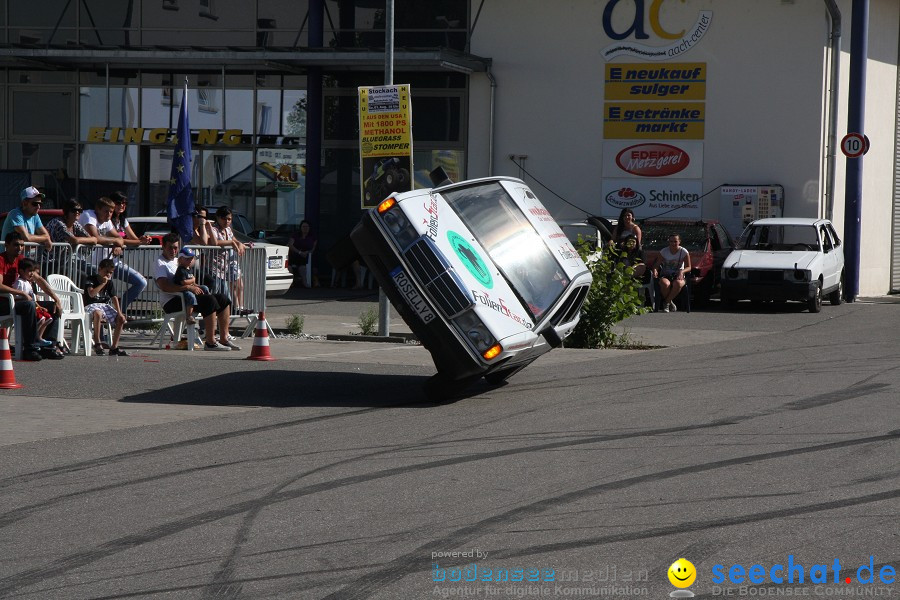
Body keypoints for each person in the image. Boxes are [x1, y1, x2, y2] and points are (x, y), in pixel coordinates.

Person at [155, 233, 240, 351]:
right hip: (172, 301)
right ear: (163, 247)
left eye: (175, 248)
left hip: (186, 298)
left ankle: (224, 339)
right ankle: (210, 342)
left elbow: (189, 275)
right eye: (170, 247)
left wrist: (195, 285)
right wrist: (187, 288)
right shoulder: (160, 263)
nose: (173, 251)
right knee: (209, 300)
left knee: (223, 298)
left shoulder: (178, 260)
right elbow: (164, 286)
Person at [0, 232, 64, 360]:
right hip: (4, 301)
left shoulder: (21, 261)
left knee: (52, 307)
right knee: (29, 305)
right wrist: (22, 293)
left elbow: (39, 279)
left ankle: (48, 346)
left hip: (19, 301)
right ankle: (30, 348)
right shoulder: (1, 260)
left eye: (22, 245)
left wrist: (56, 298)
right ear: (6, 245)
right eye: (16, 245)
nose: (19, 248)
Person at [79, 196, 147, 316]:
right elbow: (96, 238)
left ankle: (118, 312)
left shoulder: (108, 221)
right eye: (106, 211)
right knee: (101, 288)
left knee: (141, 282)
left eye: (111, 212)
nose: (109, 214)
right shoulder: (89, 216)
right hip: (91, 264)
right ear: (98, 209)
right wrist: (115, 241)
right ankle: (102, 316)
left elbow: (119, 238)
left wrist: (134, 242)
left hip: (110, 263)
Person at [83, 258, 128, 356]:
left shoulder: (110, 283)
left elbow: (114, 298)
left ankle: (114, 347)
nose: (108, 275)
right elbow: (91, 294)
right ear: (99, 269)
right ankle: (98, 343)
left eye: (110, 273)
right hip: (91, 306)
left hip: (104, 306)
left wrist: (120, 313)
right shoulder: (91, 279)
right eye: (106, 272)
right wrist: (103, 283)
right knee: (98, 313)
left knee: (121, 318)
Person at [210, 206, 248, 314]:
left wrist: (239, 243)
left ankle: (238, 308)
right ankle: (210, 318)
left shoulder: (228, 229)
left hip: (228, 262)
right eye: (224, 218)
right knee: (215, 292)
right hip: (216, 265)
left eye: (229, 219)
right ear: (218, 217)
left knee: (238, 283)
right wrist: (231, 243)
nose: (227, 221)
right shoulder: (213, 229)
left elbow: (234, 239)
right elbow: (215, 242)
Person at [13, 258, 54, 347]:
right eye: (29, 271)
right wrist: (25, 298)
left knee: (48, 317)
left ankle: (39, 337)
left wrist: (39, 306)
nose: (32, 273)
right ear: (21, 271)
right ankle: (33, 339)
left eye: (33, 271)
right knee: (41, 318)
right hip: (23, 306)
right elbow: (15, 297)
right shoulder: (19, 283)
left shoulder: (28, 283)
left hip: (32, 305)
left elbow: (32, 299)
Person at [650, 233, 692, 313]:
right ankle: (670, 302)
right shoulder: (664, 251)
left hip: (679, 275)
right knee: (665, 284)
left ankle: (666, 302)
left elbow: (689, 267)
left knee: (678, 283)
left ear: (679, 242)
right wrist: (655, 270)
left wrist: (682, 271)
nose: (673, 243)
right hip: (666, 274)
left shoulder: (683, 251)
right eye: (671, 241)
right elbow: (656, 265)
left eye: (675, 241)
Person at [172, 247, 204, 325]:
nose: (190, 260)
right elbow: (184, 282)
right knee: (190, 296)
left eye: (191, 258)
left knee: (204, 288)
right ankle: (189, 316)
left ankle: (205, 303)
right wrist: (193, 280)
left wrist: (197, 286)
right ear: (180, 259)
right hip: (183, 291)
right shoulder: (181, 270)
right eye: (187, 259)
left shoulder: (189, 269)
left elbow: (192, 283)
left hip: (190, 288)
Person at [287, 219, 318, 287]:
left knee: (303, 268)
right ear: (300, 227)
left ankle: (305, 283)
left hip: (305, 256)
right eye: (303, 227)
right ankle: (291, 283)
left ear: (309, 228)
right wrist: (299, 252)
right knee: (289, 266)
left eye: (307, 227)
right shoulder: (295, 235)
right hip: (295, 254)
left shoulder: (312, 237)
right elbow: (290, 245)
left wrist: (307, 252)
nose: (305, 228)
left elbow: (313, 248)